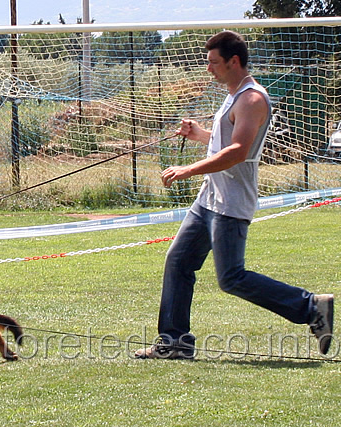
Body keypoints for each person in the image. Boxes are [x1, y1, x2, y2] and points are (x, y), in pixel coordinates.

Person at [135, 30, 334, 359]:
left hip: (231, 202)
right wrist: (201, 135)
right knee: (179, 260)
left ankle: (312, 307)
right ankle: (174, 343)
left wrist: (187, 169)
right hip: (209, 198)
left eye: (214, 62)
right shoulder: (234, 93)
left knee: (231, 278)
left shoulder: (252, 99)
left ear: (234, 61)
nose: (209, 68)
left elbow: (239, 151)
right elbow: (227, 140)